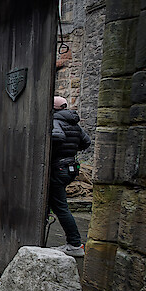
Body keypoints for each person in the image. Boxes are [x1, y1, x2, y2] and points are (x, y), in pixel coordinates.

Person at [49, 96, 90, 257]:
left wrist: (56, 151)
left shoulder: (55, 120)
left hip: (58, 168)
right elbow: (86, 142)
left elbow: (57, 136)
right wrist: (69, 150)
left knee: (61, 207)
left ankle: (74, 244)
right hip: (70, 167)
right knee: (56, 203)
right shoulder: (74, 123)